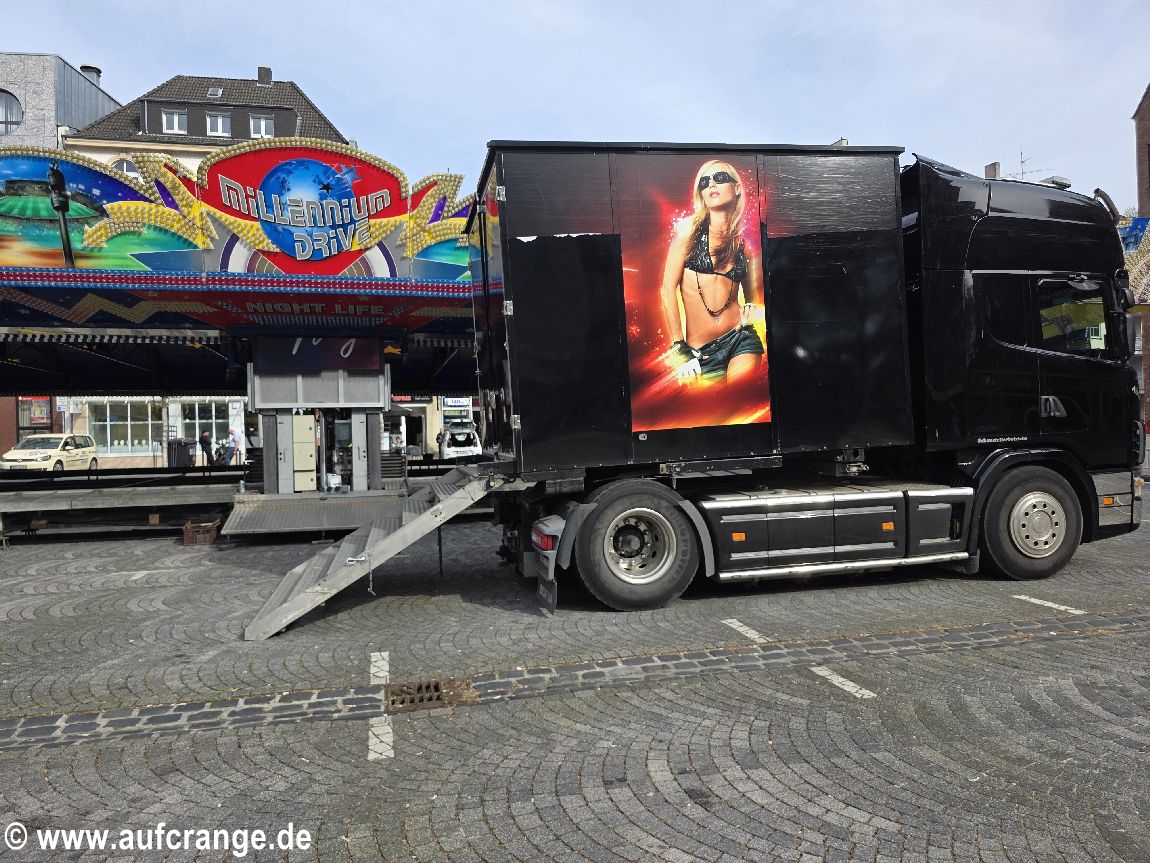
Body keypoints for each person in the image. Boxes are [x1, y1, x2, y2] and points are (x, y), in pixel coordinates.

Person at [660, 160, 765, 386]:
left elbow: (752, 298)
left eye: (719, 178)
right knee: (717, 408)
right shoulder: (688, 233)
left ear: (737, 188)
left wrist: (752, 309)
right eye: (705, 182)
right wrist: (679, 348)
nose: (711, 184)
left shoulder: (744, 245)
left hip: (741, 340)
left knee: (738, 400)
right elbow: (667, 288)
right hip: (700, 354)